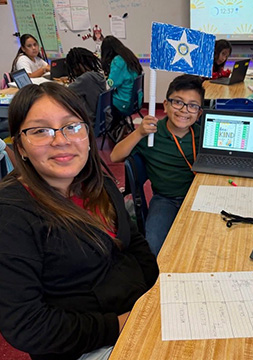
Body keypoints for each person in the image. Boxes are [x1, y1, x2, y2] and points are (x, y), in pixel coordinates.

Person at [0, 82, 159, 360]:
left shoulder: (97, 183)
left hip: (137, 311)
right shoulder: (11, 216)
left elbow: (133, 242)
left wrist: (155, 297)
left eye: (72, 126)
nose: (61, 140)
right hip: (88, 345)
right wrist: (120, 324)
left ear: (87, 134)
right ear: (21, 147)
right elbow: (27, 325)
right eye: (40, 130)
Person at [110, 74, 204, 256]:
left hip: (198, 198)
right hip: (165, 199)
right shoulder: (151, 134)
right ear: (165, 105)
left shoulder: (204, 135)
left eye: (193, 105)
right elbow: (115, 156)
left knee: (200, 247)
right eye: (178, 102)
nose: (184, 110)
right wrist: (139, 133)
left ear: (199, 112)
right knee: (153, 248)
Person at [100, 36, 143, 116]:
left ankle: (106, 126)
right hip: (136, 101)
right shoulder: (128, 56)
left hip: (124, 102)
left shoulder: (118, 61)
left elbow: (110, 84)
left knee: (97, 99)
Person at [66, 47, 107, 125]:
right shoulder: (97, 76)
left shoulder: (86, 79)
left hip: (91, 122)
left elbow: (65, 93)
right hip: (103, 120)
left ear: (77, 66)